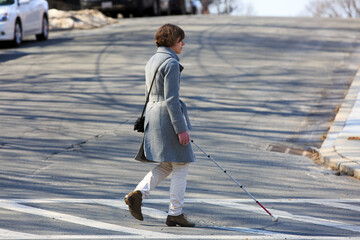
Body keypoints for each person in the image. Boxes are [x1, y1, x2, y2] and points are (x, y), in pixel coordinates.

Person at [124, 24, 195, 227]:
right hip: (167, 116)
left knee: (167, 164)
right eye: (180, 40)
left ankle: (138, 194)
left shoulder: (152, 60)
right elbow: (172, 100)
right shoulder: (171, 63)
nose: (183, 43)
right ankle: (175, 212)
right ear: (172, 41)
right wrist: (181, 129)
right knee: (181, 164)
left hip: (153, 115)